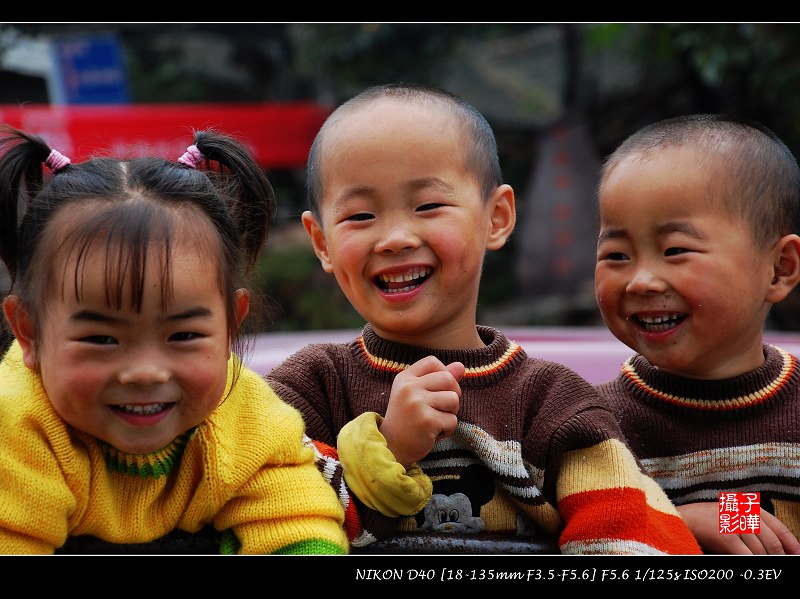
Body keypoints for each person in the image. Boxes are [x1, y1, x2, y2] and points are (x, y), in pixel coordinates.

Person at [266, 82, 702, 555]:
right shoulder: (308, 390)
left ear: (496, 217)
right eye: (360, 216)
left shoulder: (551, 403)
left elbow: (629, 534)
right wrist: (386, 451)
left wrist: (721, 511)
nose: (394, 237)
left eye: (428, 205)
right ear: (322, 241)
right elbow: (269, 521)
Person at [0, 125, 348, 554]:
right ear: (29, 332)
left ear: (229, 329)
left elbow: (295, 519)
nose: (145, 372)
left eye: (183, 335)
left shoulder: (246, 417)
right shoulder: (15, 423)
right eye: (101, 339)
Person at [594, 113, 800, 555]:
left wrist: (727, 514)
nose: (641, 281)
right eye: (616, 254)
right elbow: (570, 539)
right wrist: (680, 522)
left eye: (675, 250)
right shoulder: (588, 421)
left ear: (779, 268)